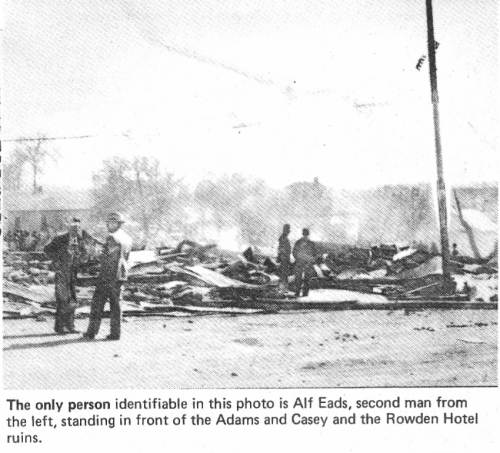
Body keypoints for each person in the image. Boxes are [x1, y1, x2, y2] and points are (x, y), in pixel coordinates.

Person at [84, 212, 132, 341]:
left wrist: (94, 252)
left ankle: (91, 332)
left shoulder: (112, 238)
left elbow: (105, 256)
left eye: (112, 223)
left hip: (108, 275)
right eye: (109, 223)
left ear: (117, 224)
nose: (109, 225)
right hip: (120, 275)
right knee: (116, 305)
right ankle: (115, 333)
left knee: (97, 304)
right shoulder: (127, 238)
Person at [44, 218, 94, 334]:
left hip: (73, 274)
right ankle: (60, 327)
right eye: (73, 228)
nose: (75, 231)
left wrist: (82, 258)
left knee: (72, 300)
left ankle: (70, 326)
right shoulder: (60, 239)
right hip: (61, 273)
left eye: (77, 228)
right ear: (69, 228)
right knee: (62, 300)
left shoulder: (81, 240)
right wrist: (57, 260)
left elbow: (85, 255)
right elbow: (46, 250)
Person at [292, 228, 317, 297]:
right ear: (303, 234)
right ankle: (298, 292)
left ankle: (304, 293)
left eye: (306, 234)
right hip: (301, 262)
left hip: (307, 263)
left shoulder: (310, 243)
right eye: (304, 234)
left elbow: (314, 254)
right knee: (298, 278)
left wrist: (310, 260)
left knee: (306, 278)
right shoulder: (299, 242)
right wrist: (298, 258)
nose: (305, 236)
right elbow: (294, 252)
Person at [277, 224, 292, 292]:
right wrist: (281, 256)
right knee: (284, 274)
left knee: (284, 274)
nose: (289, 231)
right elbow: (281, 249)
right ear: (286, 230)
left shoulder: (284, 237)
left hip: (285, 258)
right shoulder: (283, 238)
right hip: (284, 259)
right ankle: (283, 289)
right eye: (288, 229)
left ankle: (283, 288)